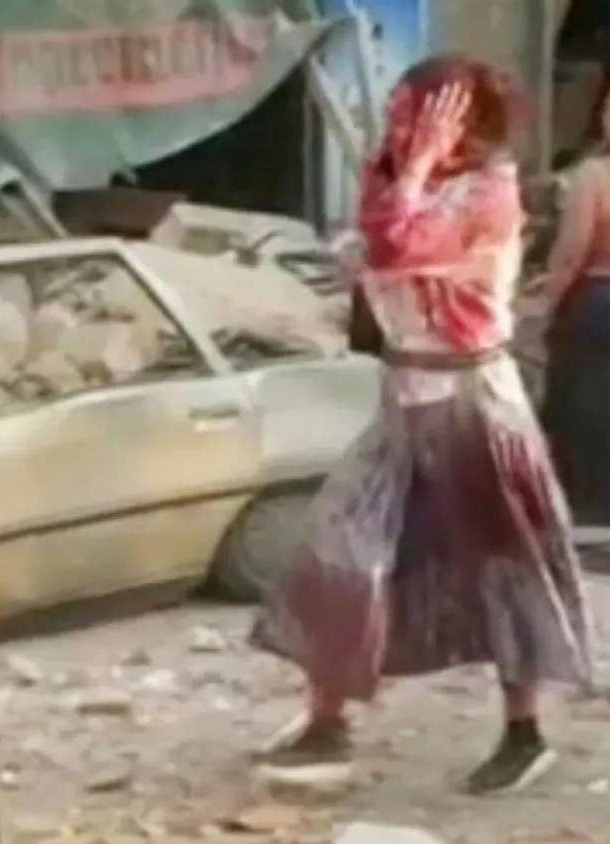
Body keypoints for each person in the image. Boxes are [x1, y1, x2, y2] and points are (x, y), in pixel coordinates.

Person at [249, 57, 594, 795]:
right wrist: (402, 174)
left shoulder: (490, 190)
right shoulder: (402, 182)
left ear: (460, 122)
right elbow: (376, 241)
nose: (399, 126)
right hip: (402, 397)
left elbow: (399, 246)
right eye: (400, 112)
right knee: (339, 553)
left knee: (505, 566)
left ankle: (524, 731)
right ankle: (326, 717)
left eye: (416, 113)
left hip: (473, 400)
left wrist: (413, 172)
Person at [528, 91, 610, 544]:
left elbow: (572, 251)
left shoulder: (593, 175)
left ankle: (587, 510)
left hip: (598, 299)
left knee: (582, 403)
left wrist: (547, 303)